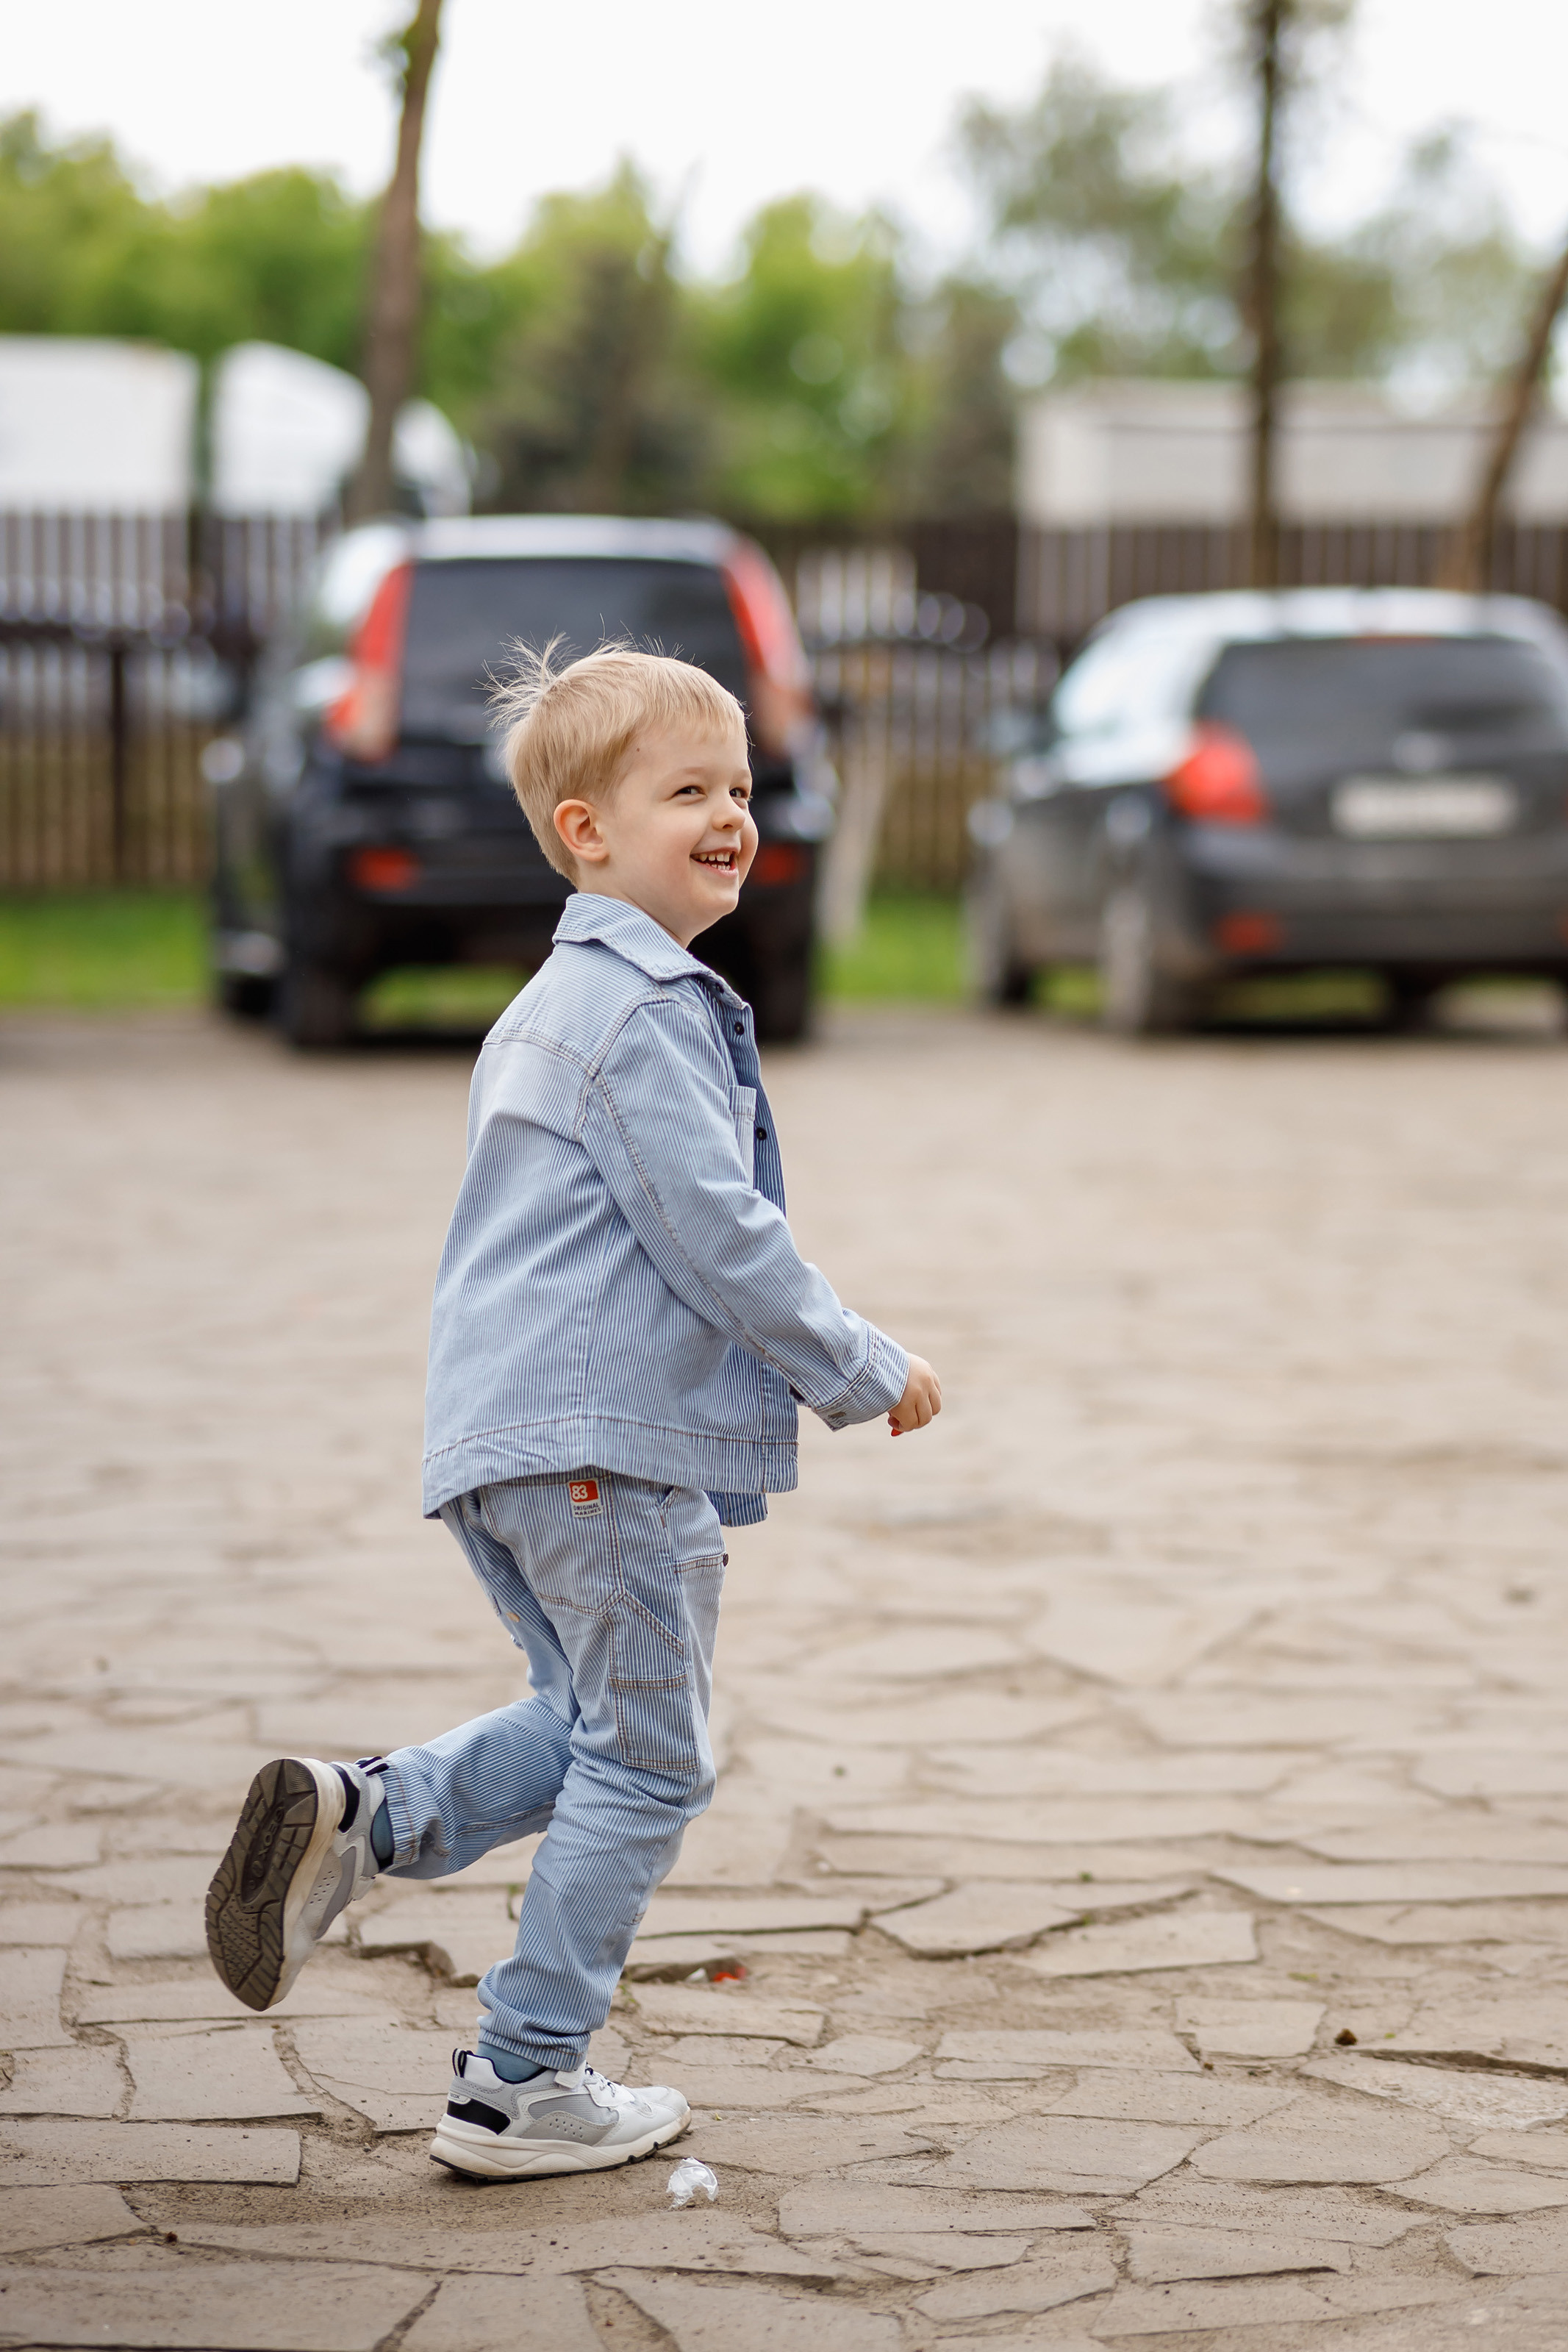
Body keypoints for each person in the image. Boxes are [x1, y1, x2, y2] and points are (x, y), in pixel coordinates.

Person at [204, 643, 941, 2179]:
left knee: (588, 1726)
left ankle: (365, 1816)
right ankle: (518, 2078)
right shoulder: (637, 1009)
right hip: (598, 1447)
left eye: (737, 786)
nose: (730, 814)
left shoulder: (558, 1005)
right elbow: (712, 1227)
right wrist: (854, 1361)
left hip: (514, 1442)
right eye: (688, 790)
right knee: (653, 1762)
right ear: (586, 831)